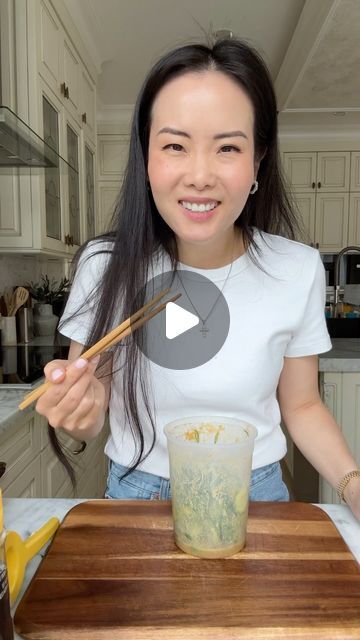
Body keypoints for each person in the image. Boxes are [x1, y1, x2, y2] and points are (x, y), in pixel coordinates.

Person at [35, 37, 360, 518]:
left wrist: (353, 484)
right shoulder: (106, 264)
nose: (200, 175)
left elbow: (303, 405)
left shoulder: (297, 269)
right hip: (138, 495)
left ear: (258, 160)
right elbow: (91, 403)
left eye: (227, 147)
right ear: (146, 158)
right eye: (174, 146)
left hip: (258, 494)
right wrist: (78, 412)